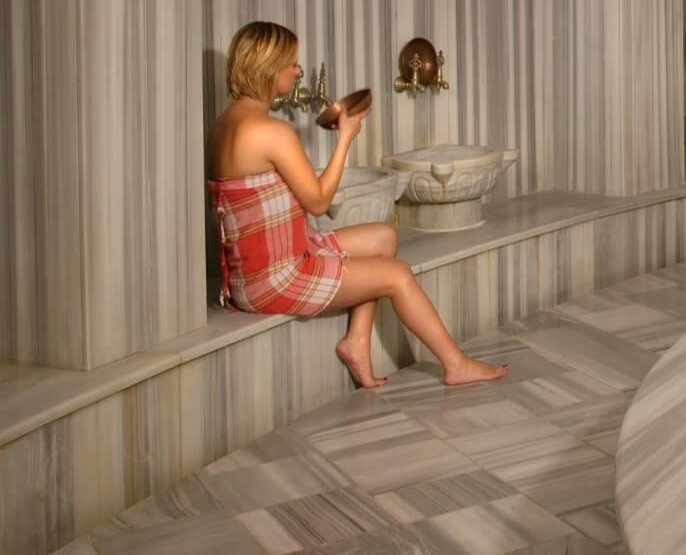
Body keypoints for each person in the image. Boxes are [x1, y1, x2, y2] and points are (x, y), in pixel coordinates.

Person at [206, 21, 507, 387]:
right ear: (269, 68)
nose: (297, 71)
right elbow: (319, 202)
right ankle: (456, 364)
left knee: (383, 237)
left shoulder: (224, 125)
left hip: (255, 273)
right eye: (292, 63)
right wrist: (345, 139)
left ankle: (357, 343)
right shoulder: (270, 132)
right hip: (275, 279)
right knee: (398, 275)